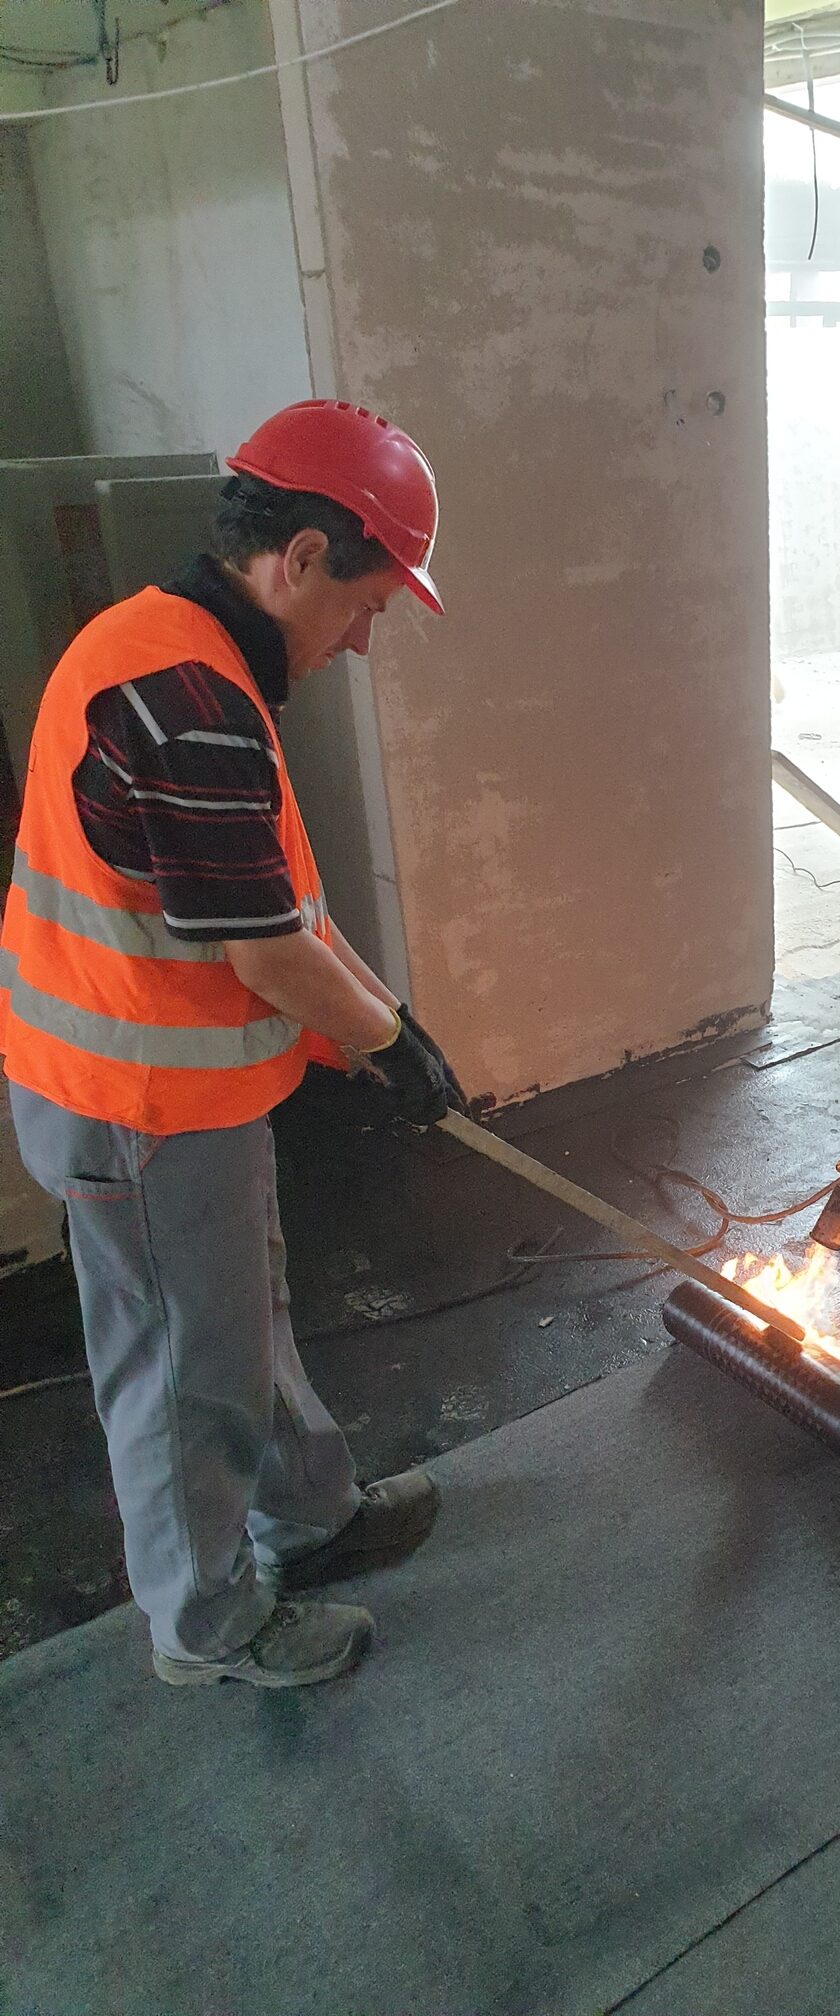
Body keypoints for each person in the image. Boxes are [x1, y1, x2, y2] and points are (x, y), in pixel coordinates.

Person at [1, 399, 465, 1686]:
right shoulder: (184, 698)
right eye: (367, 605)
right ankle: (206, 1625)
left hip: (185, 1099)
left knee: (240, 1322)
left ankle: (308, 1521)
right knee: (183, 1369)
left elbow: (280, 907)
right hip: (134, 1105)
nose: (362, 639)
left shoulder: (180, 649)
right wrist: (386, 1045)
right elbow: (262, 953)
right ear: (302, 556)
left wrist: (392, 1023)